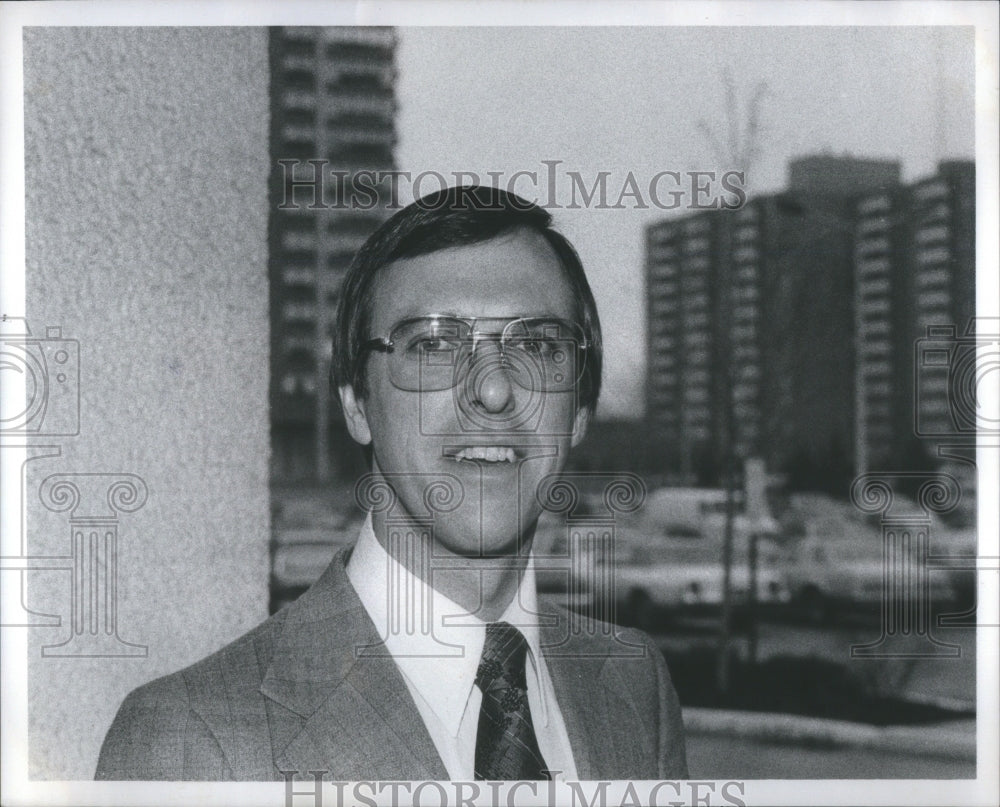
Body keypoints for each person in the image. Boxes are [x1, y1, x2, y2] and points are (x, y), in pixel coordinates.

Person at [95, 185, 688, 781]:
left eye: (536, 345)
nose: (493, 389)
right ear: (356, 402)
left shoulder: (634, 684)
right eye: (433, 344)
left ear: (580, 407)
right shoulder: (189, 741)